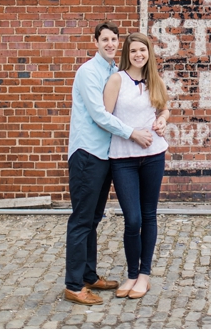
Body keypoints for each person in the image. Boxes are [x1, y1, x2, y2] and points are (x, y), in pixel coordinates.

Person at [64, 21, 153, 305]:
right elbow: (100, 115)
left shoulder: (114, 72)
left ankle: (89, 275)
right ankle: (74, 285)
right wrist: (132, 133)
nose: (110, 44)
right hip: (87, 153)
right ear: (96, 42)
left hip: (105, 155)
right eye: (105, 39)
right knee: (81, 220)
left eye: (114, 39)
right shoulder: (88, 72)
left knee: (94, 219)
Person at [103, 32, 171, 300]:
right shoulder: (116, 80)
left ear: (148, 53)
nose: (138, 55)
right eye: (133, 51)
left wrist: (163, 120)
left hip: (154, 155)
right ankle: (131, 274)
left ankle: (144, 275)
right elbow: (105, 118)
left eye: (143, 50)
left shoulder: (155, 80)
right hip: (123, 158)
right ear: (127, 54)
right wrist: (132, 133)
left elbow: (165, 108)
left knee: (148, 215)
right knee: (132, 219)